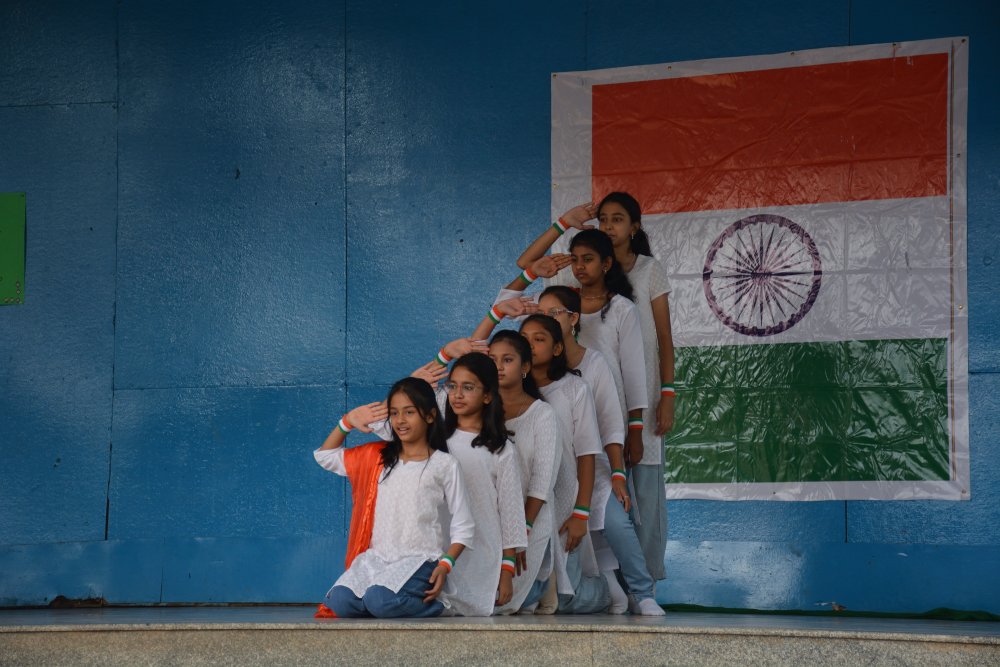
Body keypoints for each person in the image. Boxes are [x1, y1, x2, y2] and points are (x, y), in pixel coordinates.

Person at [519, 196, 675, 581]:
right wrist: (563, 224)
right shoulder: (571, 282)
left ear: (635, 226)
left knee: (642, 499)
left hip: (633, 407)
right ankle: (605, 586)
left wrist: (667, 395)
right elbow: (526, 266)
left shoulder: (644, 275)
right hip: (579, 412)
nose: (608, 225)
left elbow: (664, 341)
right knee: (600, 499)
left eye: (618, 219)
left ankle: (645, 584)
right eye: (603, 219)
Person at [538, 286, 664, 616]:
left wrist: (619, 474)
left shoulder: (594, 365)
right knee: (574, 539)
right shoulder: (531, 369)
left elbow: (610, 424)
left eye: (553, 313)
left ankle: (642, 591)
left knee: (615, 523)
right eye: (539, 314)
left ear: (573, 318)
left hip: (594, 468)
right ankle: (609, 591)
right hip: (553, 475)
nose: (545, 321)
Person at [315, 378, 474, 618]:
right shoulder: (377, 459)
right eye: (394, 413)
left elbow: (464, 525)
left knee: (380, 600)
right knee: (339, 601)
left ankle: (439, 607)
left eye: (409, 412)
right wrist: (346, 422)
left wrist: (445, 565)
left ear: (430, 416)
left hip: (420, 558)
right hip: (378, 557)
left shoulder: (444, 464)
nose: (400, 420)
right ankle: (383, 604)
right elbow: (325, 456)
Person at [519, 315, 609, 614]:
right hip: (523, 502)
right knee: (538, 591)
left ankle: (606, 590)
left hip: (564, 500)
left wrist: (580, 513)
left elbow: (587, 453)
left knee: (568, 600)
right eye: (525, 339)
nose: (530, 345)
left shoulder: (574, 389)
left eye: (539, 339)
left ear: (558, 348)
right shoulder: (509, 390)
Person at [441, 353, 529, 616]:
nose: (457, 394)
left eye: (468, 388)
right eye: (452, 386)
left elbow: (511, 513)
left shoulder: (501, 451)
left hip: (482, 555)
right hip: (441, 552)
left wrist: (506, 571)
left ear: (488, 396)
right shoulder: (435, 441)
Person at [488, 330, 562, 614]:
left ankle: (551, 584)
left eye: (507, 359)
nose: (498, 367)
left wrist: (520, 536)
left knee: (499, 604)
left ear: (526, 367)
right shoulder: (480, 410)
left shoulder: (542, 414)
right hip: (490, 523)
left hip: (529, 522)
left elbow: (542, 485)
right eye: (492, 359)